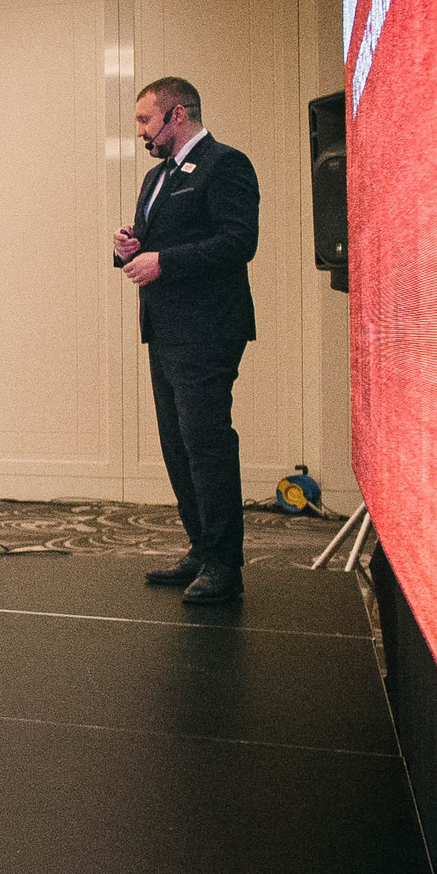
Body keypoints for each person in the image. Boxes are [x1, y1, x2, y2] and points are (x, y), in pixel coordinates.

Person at [114, 75, 260, 604]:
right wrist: (130, 247)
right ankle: (201, 546)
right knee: (177, 446)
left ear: (177, 114)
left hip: (208, 330)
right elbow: (152, 247)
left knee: (207, 445)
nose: (140, 133)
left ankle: (225, 564)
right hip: (165, 330)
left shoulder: (227, 165)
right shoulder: (156, 179)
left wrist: (163, 261)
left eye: (145, 120)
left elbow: (238, 242)